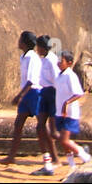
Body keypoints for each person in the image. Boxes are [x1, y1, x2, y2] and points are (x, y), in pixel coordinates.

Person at [0, 30, 44, 165]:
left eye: (20, 39)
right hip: (26, 93)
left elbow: (31, 80)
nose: (18, 41)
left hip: (33, 92)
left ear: (24, 43)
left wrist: (20, 95)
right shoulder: (24, 57)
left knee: (41, 126)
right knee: (18, 124)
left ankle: (51, 156)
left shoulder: (32, 57)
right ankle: (11, 156)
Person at [55, 50, 91, 170]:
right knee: (63, 141)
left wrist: (67, 103)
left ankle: (84, 155)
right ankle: (72, 165)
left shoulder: (70, 76)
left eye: (61, 61)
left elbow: (78, 93)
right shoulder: (60, 75)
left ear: (69, 63)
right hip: (59, 113)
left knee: (64, 140)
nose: (59, 63)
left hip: (70, 113)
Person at [34, 36, 59, 174]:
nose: (37, 50)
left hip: (52, 94)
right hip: (44, 93)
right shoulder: (42, 60)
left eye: (38, 47)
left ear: (42, 47)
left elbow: (57, 80)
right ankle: (49, 159)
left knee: (54, 131)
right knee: (40, 127)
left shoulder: (51, 61)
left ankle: (75, 150)